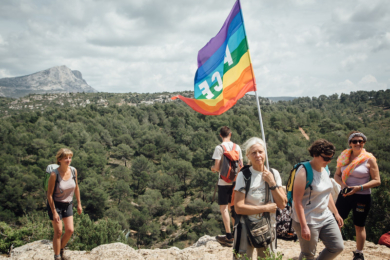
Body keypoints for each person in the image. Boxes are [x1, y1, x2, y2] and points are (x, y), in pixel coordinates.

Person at [233, 137, 287, 259]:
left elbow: (282, 204)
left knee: (267, 257)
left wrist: (272, 183)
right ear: (248, 156)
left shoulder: (273, 174)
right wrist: (265, 208)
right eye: (253, 153)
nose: (258, 155)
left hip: (268, 225)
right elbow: (239, 208)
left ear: (265, 153)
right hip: (245, 225)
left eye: (260, 152)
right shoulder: (244, 175)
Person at [292, 139, 344, 260]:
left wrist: (336, 213)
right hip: (308, 218)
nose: (329, 161)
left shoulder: (325, 169)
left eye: (331, 158)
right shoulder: (303, 172)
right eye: (326, 158)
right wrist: (304, 226)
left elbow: (326, 193)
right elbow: (297, 200)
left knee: (337, 247)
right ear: (315, 154)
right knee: (308, 254)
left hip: (325, 216)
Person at [334, 131, 380, 260]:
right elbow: (336, 175)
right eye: (355, 141)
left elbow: (377, 180)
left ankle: (359, 253)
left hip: (362, 196)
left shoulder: (369, 159)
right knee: (336, 221)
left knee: (359, 225)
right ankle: (332, 247)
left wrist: (359, 187)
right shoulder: (344, 157)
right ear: (350, 143)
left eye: (361, 141)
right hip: (345, 194)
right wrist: (343, 186)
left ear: (364, 143)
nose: (358, 143)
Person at [47, 148, 82, 260]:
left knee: (70, 230)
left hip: (68, 204)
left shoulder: (73, 171)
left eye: (70, 157)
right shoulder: (54, 174)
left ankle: (60, 250)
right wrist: (54, 212)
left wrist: (79, 204)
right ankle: (57, 257)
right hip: (55, 205)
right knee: (58, 232)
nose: (68, 160)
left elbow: (76, 187)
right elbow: (49, 195)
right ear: (59, 160)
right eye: (65, 158)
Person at [211, 126, 243, 247]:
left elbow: (217, 167)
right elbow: (241, 165)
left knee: (224, 208)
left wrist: (212, 169)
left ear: (220, 135)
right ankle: (236, 233)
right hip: (235, 182)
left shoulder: (219, 148)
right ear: (231, 134)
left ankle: (229, 236)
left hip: (223, 182)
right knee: (232, 208)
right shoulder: (237, 147)